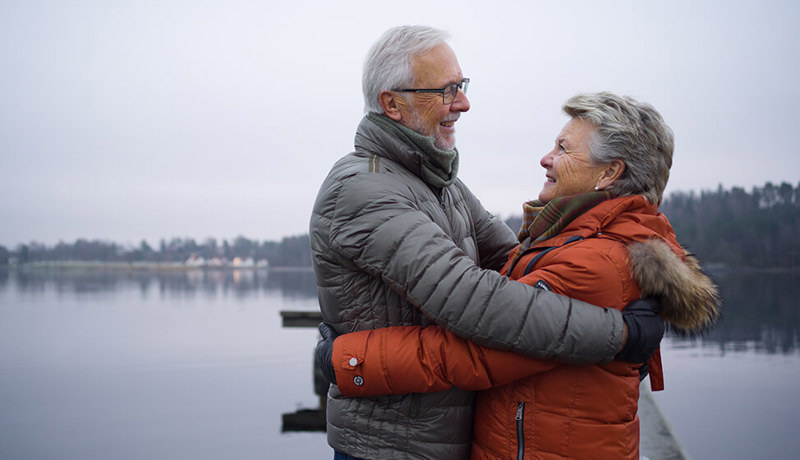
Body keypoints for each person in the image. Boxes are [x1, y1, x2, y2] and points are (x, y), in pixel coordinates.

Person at [310, 26, 664, 460]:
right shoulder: (364, 188)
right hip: (392, 448)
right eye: (446, 90)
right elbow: (476, 299)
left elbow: (513, 264)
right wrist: (621, 333)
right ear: (392, 104)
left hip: (447, 440)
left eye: (461, 85)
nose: (463, 102)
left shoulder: (440, 185)